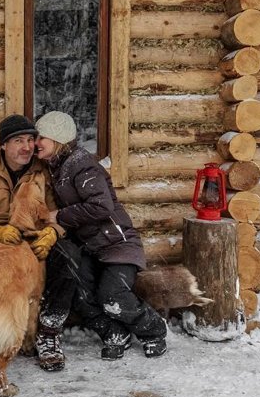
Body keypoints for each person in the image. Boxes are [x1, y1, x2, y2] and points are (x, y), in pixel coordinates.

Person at [0, 114, 82, 375]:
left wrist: (53, 233)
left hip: (34, 239)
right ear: (3, 145)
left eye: (30, 140)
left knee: (69, 255)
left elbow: (58, 212)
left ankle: (49, 332)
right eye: (18, 141)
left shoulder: (42, 173)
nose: (26, 147)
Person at [34, 111, 168, 359]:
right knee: (80, 294)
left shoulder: (81, 164)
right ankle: (115, 334)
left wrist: (60, 216)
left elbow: (101, 206)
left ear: (57, 139)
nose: (35, 143)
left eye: (41, 137)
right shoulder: (56, 167)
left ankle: (154, 331)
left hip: (117, 244)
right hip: (91, 248)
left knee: (111, 296)